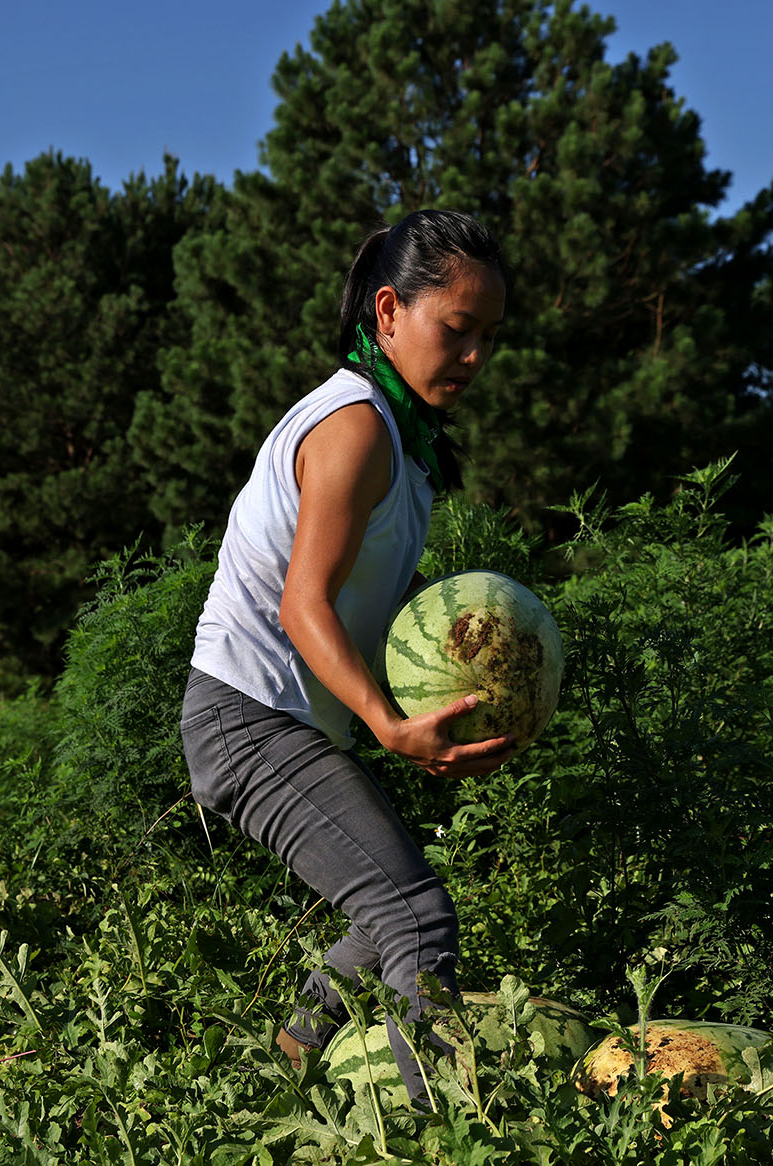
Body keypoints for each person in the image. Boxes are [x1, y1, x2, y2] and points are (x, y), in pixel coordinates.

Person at [179, 209, 512, 1107]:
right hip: (246, 720)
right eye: (458, 328)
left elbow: (373, 606)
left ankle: (285, 1059)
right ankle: (439, 1135)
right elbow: (303, 604)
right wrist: (392, 726)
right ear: (390, 311)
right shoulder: (356, 427)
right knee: (416, 917)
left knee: (389, 905)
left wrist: (453, 689)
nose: (475, 356)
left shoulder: (400, 440)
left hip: (282, 720)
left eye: (489, 336)